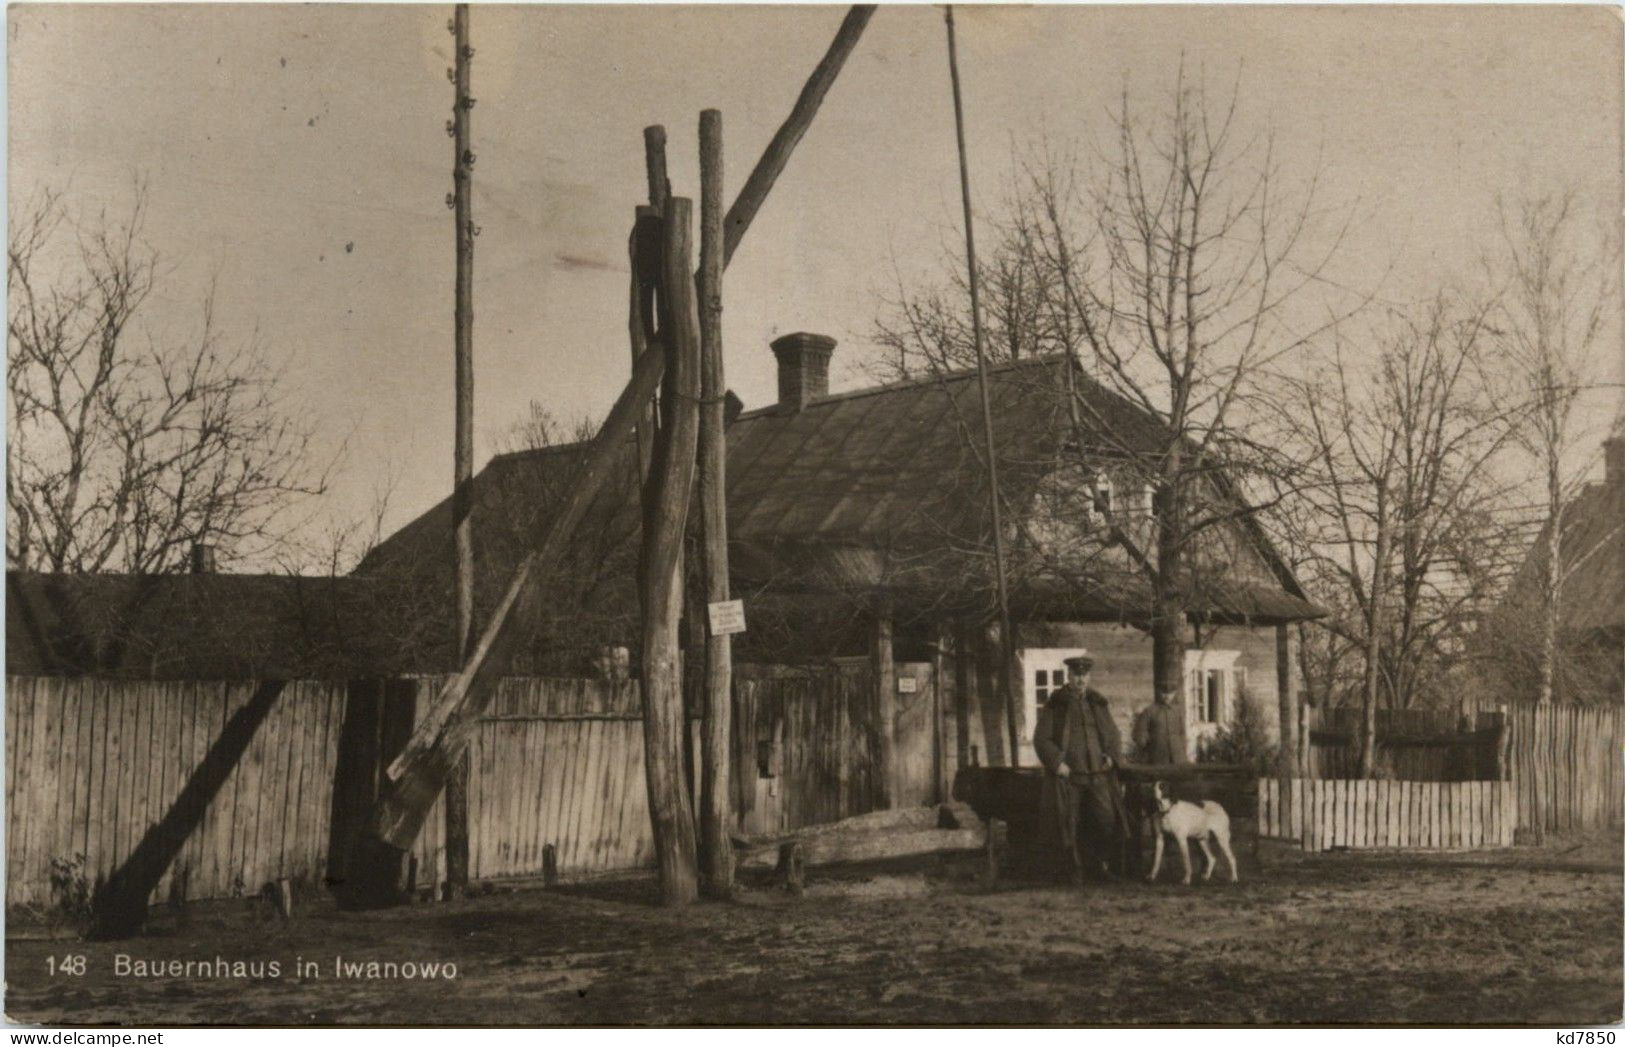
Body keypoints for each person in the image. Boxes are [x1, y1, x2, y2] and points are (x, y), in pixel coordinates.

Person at [1033, 654, 1128, 883]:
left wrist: (1112, 758)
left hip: (1097, 773)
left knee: (1106, 819)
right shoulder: (1057, 704)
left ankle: (1099, 866)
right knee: (1068, 823)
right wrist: (1058, 764)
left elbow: (1114, 735)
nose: (1081, 680)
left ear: (1089, 676)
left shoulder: (1097, 702)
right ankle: (1074, 870)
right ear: (1069, 675)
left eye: (1084, 675)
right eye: (1076, 675)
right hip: (1069, 776)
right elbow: (1041, 739)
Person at [1132, 687, 1190, 766]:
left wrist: (1183, 750)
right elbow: (1139, 733)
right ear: (1159, 692)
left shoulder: (1177, 712)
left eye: (1170, 693)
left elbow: (1182, 733)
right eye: (1164, 693)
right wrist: (1147, 746)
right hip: (1157, 757)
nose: (1167, 696)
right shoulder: (1149, 711)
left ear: (1175, 693)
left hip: (1178, 758)